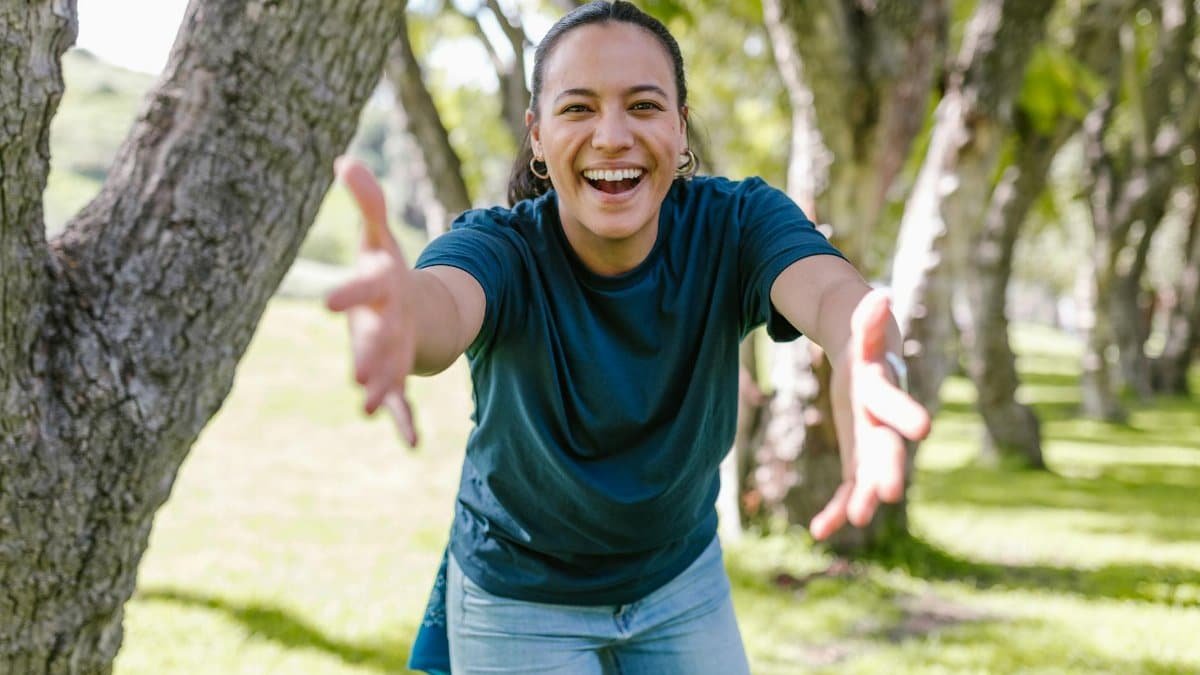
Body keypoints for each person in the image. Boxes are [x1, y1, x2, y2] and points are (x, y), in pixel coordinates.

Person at [326, 2, 931, 673]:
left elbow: (829, 292)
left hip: (679, 577)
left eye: (643, 106)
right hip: (521, 595)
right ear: (536, 135)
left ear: (679, 126)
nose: (612, 135)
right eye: (578, 108)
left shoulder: (737, 224)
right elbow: (441, 307)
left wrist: (861, 349)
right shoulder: (501, 248)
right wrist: (402, 313)